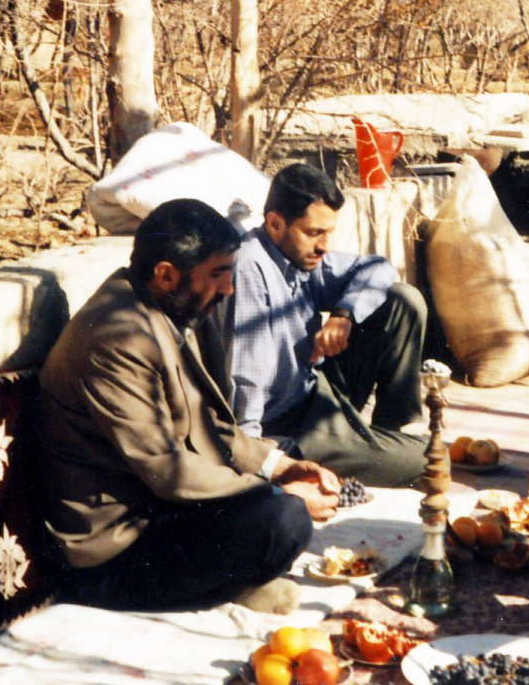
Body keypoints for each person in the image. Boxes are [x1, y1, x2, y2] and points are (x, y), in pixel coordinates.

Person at [38, 198, 340, 615]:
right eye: (218, 275)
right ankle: (228, 585)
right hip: (110, 557)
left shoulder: (166, 307)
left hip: (158, 513)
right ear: (166, 274)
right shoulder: (117, 338)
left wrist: (278, 467)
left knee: (281, 482)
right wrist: (274, 492)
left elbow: (209, 424)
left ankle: (230, 578)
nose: (229, 289)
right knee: (284, 520)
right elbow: (169, 470)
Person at [221, 161, 428, 487]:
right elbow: (246, 379)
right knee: (429, 460)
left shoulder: (298, 256)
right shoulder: (250, 268)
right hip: (294, 425)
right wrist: (256, 460)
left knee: (402, 299)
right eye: (314, 232)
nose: (324, 246)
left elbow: (379, 268)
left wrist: (343, 316)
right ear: (275, 223)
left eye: (328, 233)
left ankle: (390, 432)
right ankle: (366, 448)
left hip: (317, 388)